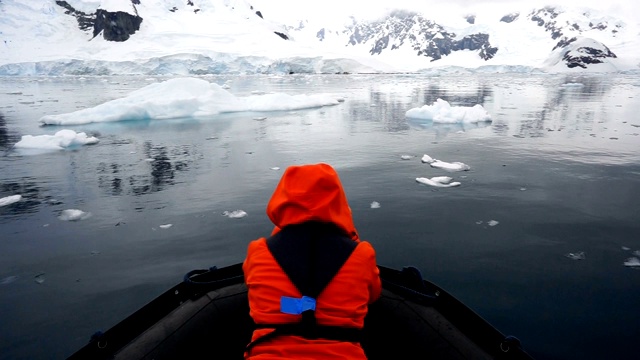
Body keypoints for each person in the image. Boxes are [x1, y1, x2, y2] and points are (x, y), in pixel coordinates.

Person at [243, 163, 382, 359]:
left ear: (282, 200)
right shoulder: (362, 254)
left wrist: (297, 306)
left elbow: (256, 293)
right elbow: (373, 295)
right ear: (338, 200)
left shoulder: (258, 251)